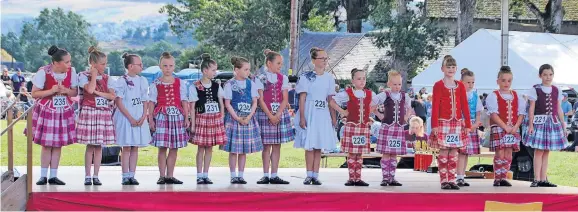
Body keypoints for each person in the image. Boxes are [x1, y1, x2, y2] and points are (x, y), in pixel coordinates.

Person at [293, 47, 343, 185]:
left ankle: (315, 175)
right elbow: (302, 98)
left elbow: (330, 99)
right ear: (314, 60)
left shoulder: (329, 78)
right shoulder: (306, 77)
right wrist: (302, 117)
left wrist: (334, 116)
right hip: (310, 111)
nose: (325, 61)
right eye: (322, 58)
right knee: (309, 145)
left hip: (322, 113)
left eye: (327, 58)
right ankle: (308, 174)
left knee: (318, 144)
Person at [32, 45, 78, 185]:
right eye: (67, 62)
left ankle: (53, 176)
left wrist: (65, 90)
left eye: (70, 62)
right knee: (46, 144)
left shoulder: (72, 72)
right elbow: (34, 93)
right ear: (57, 63)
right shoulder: (43, 72)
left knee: (58, 144)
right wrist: (50, 91)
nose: (69, 65)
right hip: (48, 110)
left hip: (63, 109)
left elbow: (74, 92)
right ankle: (43, 175)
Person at [429, 55, 472, 190]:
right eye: (448, 67)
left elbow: (465, 105)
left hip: (457, 123)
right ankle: (444, 180)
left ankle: (452, 179)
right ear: (443, 68)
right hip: (443, 122)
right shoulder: (438, 85)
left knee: (454, 151)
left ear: (456, 69)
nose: (451, 69)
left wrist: (468, 124)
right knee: (444, 151)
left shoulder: (460, 86)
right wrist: (434, 125)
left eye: (453, 67)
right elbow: (435, 106)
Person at [77, 46, 116, 186]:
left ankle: (96, 175)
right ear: (93, 64)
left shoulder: (107, 78)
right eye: (102, 64)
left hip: (102, 112)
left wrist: (99, 94)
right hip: (90, 111)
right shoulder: (83, 76)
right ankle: (87, 175)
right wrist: (93, 75)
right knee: (90, 146)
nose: (105, 66)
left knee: (99, 146)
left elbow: (112, 96)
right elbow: (90, 89)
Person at [148, 52, 190, 185]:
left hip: (177, 116)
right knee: (162, 147)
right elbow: (151, 102)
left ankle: (170, 175)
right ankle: (162, 176)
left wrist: (186, 117)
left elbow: (184, 100)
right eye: (165, 65)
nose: (168, 68)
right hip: (162, 116)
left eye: (170, 66)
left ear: (174, 67)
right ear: (160, 66)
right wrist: (150, 119)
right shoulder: (155, 83)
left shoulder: (180, 83)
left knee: (174, 147)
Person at [524, 64, 568, 187]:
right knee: (539, 151)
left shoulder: (557, 90)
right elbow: (531, 108)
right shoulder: (535, 89)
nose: (548, 77)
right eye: (545, 75)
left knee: (547, 151)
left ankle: (544, 179)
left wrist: (563, 125)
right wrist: (531, 125)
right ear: (540, 76)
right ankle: (536, 179)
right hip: (539, 123)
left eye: (550, 74)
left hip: (552, 123)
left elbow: (559, 109)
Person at [254, 49, 294, 185]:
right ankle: (265, 174)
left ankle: (274, 174)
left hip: (279, 113)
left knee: (277, 146)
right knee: (266, 146)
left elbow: (285, 99)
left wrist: (277, 114)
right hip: (265, 113)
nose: (280, 66)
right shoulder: (260, 78)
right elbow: (260, 99)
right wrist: (270, 115)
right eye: (278, 63)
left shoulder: (283, 78)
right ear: (269, 63)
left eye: (281, 64)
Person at [221, 56, 263, 184]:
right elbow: (227, 104)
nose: (248, 72)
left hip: (247, 118)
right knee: (234, 150)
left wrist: (249, 116)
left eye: (249, 70)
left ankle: (241, 175)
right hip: (234, 118)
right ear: (236, 70)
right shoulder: (229, 84)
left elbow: (255, 102)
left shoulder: (251, 83)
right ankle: (233, 175)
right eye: (245, 69)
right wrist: (238, 118)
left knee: (243, 150)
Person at [113, 52, 151, 185]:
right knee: (127, 147)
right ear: (130, 66)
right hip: (125, 117)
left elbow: (145, 99)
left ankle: (132, 175)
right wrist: (129, 117)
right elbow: (118, 101)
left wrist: (143, 116)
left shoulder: (142, 80)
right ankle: (125, 175)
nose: (142, 66)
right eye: (139, 64)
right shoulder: (122, 81)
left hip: (138, 116)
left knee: (135, 146)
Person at [333, 68, 375, 186]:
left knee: (360, 153)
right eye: (359, 79)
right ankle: (352, 178)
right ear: (353, 81)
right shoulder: (347, 93)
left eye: (364, 78)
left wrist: (368, 113)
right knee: (352, 153)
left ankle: (358, 178)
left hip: (363, 127)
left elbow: (375, 104)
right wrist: (343, 112)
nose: (362, 81)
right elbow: (332, 101)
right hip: (352, 126)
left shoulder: (369, 94)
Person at [189, 53, 226, 184]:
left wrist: (221, 117)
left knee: (210, 147)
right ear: (205, 71)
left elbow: (221, 102)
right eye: (213, 70)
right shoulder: (195, 86)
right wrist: (192, 124)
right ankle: (199, 175)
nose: (215, 72)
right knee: (201, 148)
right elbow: (192, 107)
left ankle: (206, 174)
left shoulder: (217, 86)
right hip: (201, 118)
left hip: (214, 119)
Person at [486, 66, 526, 187]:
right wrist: (505, 126)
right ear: (497, 81)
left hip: (513, 128)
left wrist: (515, 127)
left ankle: (504, 177)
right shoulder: (494, 95)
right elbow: (493, 114)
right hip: (499, 127)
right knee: (500, 153)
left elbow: (521, 114)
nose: (506, 83)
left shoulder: (517, 96)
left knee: (509, 153)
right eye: (503, 80)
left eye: (509, 80)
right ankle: (497, 178)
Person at [373, 70, 413, 187]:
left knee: (394, 153)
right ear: (389, 84)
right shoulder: (385, 95)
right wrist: (379, 114)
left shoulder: (404, 96)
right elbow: (372, 104)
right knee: (386, 153)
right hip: (387, 127)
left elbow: (409, 107)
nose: (397, 87)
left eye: (399, 84)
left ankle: (392, 177)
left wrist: (406, 116)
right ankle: (385, 177)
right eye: (395, 84)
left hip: (398, 127)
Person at [457, 68, 483, 187]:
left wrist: (476, 124)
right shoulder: (458, 94)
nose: (471, 85)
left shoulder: (475, 95)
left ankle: (462, 175)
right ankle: (459, 176)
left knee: (466, 153)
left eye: (473, 82)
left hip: (472, 124)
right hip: (461, 124)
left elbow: (478, 112)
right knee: (461, 152)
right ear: (462, 82)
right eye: (468, 82)